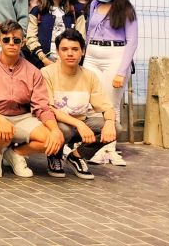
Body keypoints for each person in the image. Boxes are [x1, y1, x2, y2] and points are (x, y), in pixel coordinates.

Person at [0, 20, 64, 178]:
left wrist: (55, 130)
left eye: (16, 40)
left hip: (23, 117)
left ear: (23, 42)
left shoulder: (33, 71)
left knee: (49, 139)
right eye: (6, 40)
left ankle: (16, 154)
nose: (11, 43)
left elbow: (42, 106)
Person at [42, 29, 117, 179]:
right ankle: (55, 155)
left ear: (83, 51)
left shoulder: (89, 75)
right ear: (57, 52)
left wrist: (109, 122)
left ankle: (76, 156)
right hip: (58, 124)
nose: (70, 53)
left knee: (116, 128)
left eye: (75, 49)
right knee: (64, 129)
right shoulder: (46, 73)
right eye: (64, 49)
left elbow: (106, 106)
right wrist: (79, 124)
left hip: (81, 122)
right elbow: (49, 108)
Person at [83, 0, 138, 166]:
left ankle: (110, 149)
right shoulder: (94, 5)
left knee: (110, 104)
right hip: (92, 56)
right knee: (93, 104)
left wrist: (121, 72)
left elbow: (132, 41)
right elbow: (89, 32)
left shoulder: (126, 8)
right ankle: (97, 149)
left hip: (115, 55)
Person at [26, 0, 86, 69]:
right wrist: (44, 59)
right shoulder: (37, 11)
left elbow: (82, 39)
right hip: (42, 63)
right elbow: (31, 38)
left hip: (69, 62)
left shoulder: (76, 11)